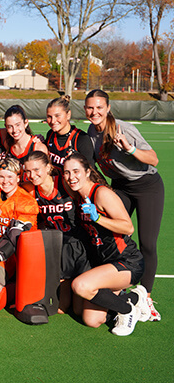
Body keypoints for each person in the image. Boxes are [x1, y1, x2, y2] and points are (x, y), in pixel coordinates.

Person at [84, 89, 163, 321]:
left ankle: (145, 296)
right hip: (120, 186)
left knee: (147, 242)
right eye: (90, 107)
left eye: (99, 107)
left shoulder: (123, 128)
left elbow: (154, 159)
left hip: (147, 185)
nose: (94, 112)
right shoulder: (90, 131)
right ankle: (115, 284)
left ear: (108, 108)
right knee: (110, 231)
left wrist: (129, 148)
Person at [64, 153, 150, 336]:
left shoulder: (101, 193)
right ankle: (134, 296)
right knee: (90, 319)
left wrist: (98, 218)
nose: (71, 177)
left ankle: (128, 310)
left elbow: (128, 228)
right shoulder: (79, 196)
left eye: (76, 171)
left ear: (87, 172)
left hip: (127, 262)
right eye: (67, 173)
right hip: (105, 264)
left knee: (81, 286)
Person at [23, 151, 90, 313]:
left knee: (81, 312)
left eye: (37, 170)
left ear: (48, 168)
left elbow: (93, 193)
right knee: (61, 309)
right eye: (28, 171)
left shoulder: (66, 184)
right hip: (60, 247)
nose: (32, 175)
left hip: (82, 245)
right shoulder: (31, 190)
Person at [0, 157, 39, 312]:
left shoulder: (27, 202)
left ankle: (14, 288)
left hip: (15, 258)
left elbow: (16, 234)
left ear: (18, 178)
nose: (5, 181)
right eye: (1, 176)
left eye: (10, 177)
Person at [45, 95, 94, 170]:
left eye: (57, 116)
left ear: (68, 115)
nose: (53, 121)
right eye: (49, 117)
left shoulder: (81, 138)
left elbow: (90, 171)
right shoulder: (50, 134)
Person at [4, 105, 47, 180]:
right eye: (10, 126)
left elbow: (45, 178)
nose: (14, 130)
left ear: (26, 123)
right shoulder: (7, 144)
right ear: (6, 127)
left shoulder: (38, 147)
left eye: (18, 125)